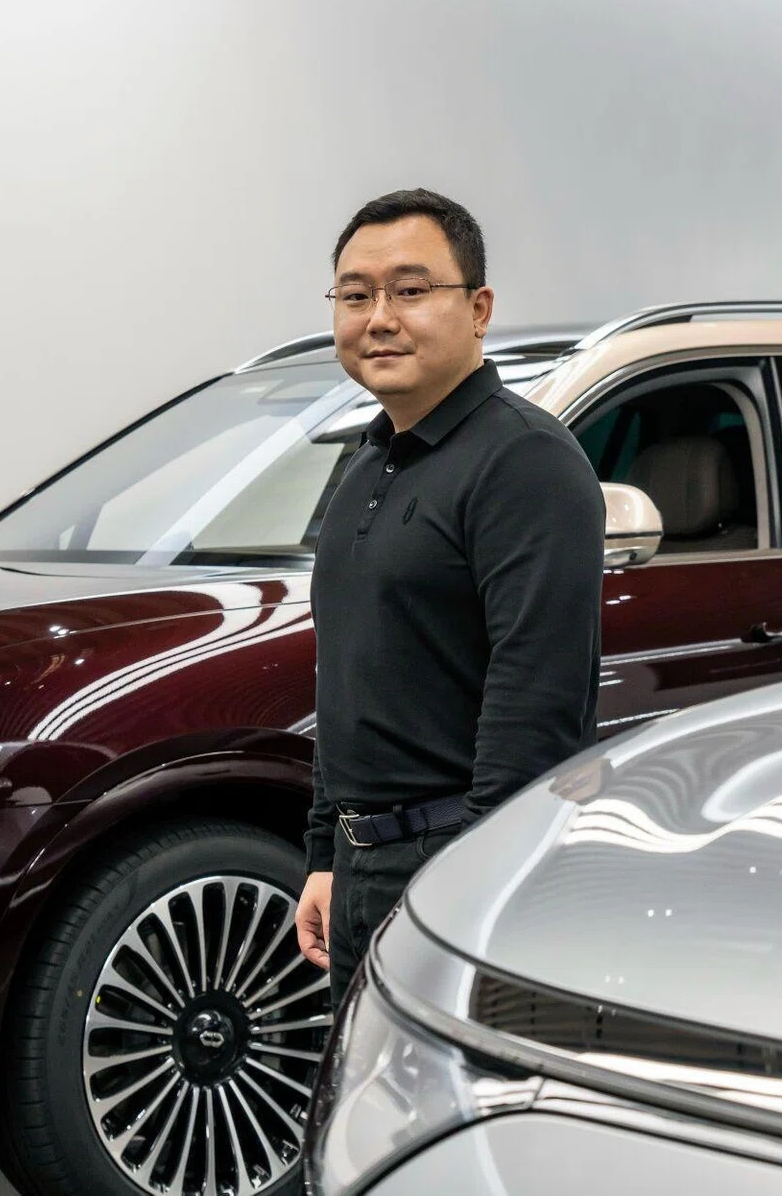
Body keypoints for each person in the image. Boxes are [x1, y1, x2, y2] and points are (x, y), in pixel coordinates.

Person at [293, 188, 606, 1006]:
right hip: (363, 864)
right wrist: (327, 852)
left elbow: (535, 704)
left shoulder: (527, 463)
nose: (379, 318)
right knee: (365, 1082)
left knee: (451, 1083)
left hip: (455, 863)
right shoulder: (367, 462)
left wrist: (476, 882)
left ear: (478, 309)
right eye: (355, 295)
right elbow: (348, 677)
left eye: (409, 289)